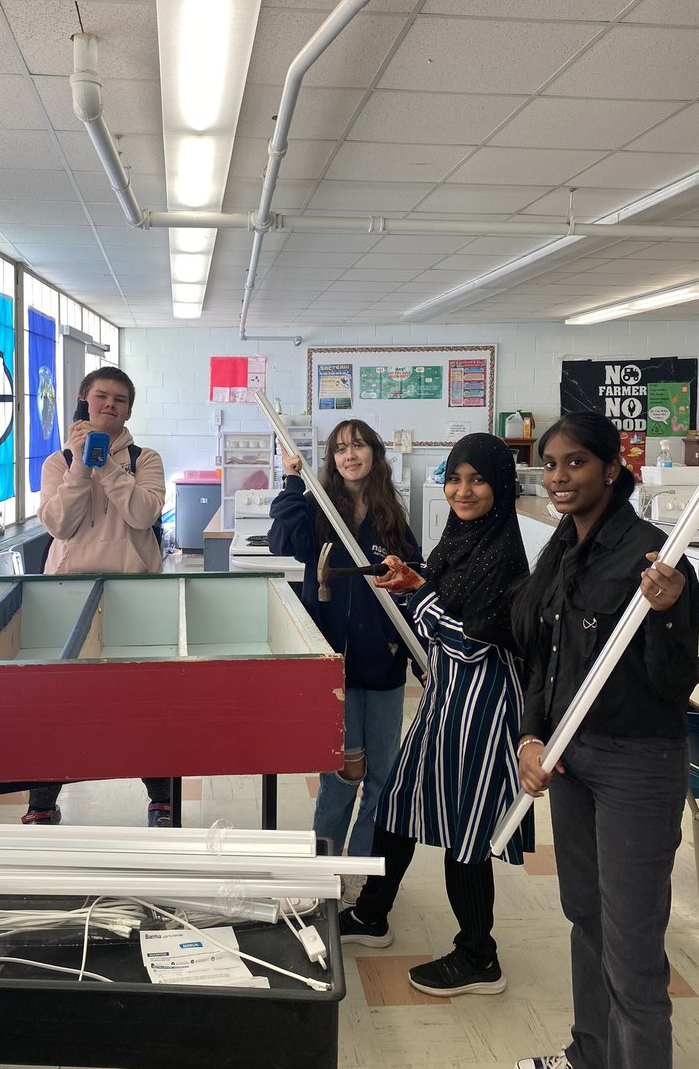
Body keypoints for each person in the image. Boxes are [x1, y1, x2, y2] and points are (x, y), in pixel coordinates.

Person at [509, 412, 699, 1069]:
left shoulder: (656, 558)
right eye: (551, 464)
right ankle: (590, 1054)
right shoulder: (562, 549)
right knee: (584, 917)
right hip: (570, 758)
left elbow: (674, 683)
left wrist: (672, 612)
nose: (559, 477)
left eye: (576, 463)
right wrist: (531, 736)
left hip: (636, 764)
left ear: (612, 469)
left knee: (632, 951)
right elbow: (545, 659)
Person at [339, 432, 532, 998]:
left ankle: (479, 955)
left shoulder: (502, 553)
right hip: (447, 693)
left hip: (484, 702)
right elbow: (447, 608)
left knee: (465, 825)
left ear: (500, 486)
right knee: (399, 798)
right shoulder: (460, 539)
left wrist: (420, 598)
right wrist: (419, 581)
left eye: (476, 480)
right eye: (454, 478)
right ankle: (373, 914)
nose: (462, 491)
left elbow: (471, 639)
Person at [268, 420, 423, 903]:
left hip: (383, 664)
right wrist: (292, 482)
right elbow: (281, 541)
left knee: (382, 774)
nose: (348, 455)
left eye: (357, 446)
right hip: (331, 664)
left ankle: (358, 873)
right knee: (341, 774)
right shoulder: (317, 509)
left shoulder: (392, 517)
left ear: (374, 453)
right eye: (339, 449)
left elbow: (413, 581)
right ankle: (323, 867)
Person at [21, 366, 171, 827]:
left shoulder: (145, 459)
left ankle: (161, 799)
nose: (110, 405)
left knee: (145, 700)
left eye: (120, 399)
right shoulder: (56, 463)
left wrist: (106, 463)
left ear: (128, 410)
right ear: (84, 401)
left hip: (135, 593)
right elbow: (60, 525)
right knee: (59, 701)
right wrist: (82, 463)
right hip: (67, 595)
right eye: (101, 396)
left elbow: (143, 515)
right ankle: (42, 803)